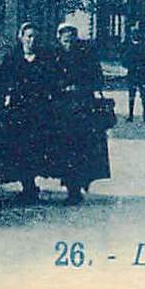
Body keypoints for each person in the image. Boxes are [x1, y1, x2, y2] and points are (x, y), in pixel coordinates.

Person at [0, 22, 56, 203]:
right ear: (21, 37)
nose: (32, 40)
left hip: (39, 111)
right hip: (17, 111)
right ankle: (27, 185)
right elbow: (1, 86)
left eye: (35, 37)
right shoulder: (11, 59)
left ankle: (31, 184)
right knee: (18, 149)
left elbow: (52, 84)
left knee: (37, 148)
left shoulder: (45, 59)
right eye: (28, 36)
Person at [50, 25, 111, 204]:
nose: (69, 44)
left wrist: (82, 87)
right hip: (61, 109)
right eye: (65, 41)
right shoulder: (53, 57)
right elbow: (46, 79)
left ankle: (76, 188)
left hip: (82, 108)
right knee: (64, 148)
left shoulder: (86, 57)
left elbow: (98, 79)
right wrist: (60, 87)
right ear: (59, 40)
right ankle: (70, 186)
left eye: (72, 40)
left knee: (80, 149)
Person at [123, 27, 145, 123]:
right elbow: (124, 61)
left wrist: (131, 66)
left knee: (137, 95)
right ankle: (139, 115)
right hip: (138, 73)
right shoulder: (141, 47)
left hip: (136, 74)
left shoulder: (134, 47)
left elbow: (124, 61)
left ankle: (138, 115)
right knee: (138, 95)